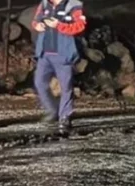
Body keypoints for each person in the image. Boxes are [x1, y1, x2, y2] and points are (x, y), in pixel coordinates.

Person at [31, 0, 87, 133]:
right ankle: (52, 110)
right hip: (45, 54)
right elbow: (35, 20)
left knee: (66, 87)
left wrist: (59, 25)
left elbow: (80, 26)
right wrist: (37, 25)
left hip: (63, 54)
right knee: (40, 83)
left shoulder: (73, 5)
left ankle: (65, 117)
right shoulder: (45, 4)